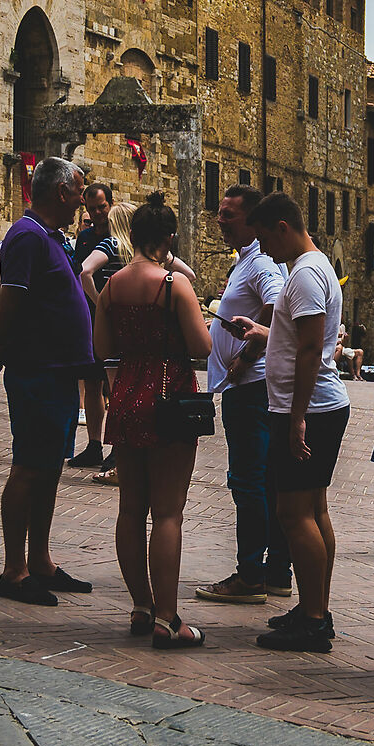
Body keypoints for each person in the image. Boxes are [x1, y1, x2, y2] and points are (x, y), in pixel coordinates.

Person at [96, 192, 212, 647]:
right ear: (168, 237)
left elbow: (102, 348)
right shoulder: (173, 284)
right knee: (167, 513)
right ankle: (168, 618)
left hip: (126, 394)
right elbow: (201, 347)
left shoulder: (112, 286)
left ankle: (141, 606)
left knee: (130, 509)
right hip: (169, 395)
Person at [0, 156, 98, 606]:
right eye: (79, 193)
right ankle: (14, 571)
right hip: (38, 370)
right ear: (61, 192)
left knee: (49, 467)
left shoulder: (50, 236)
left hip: (59, 371)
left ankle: (41, 561)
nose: (82, 203)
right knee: (29, 467)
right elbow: (11, 299)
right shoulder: (28, 236)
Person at [252, 193, 350, 654]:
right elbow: (301, 339)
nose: (263, 249)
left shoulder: (307, 274)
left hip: (311, 409)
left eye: (264, 238)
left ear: (283, 227)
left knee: (294, 514)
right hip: (317, 407)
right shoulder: (315, 267)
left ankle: (313, 620)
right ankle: (316, 607)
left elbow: (311, 349)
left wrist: (296, 418)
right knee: (314, 510)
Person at [194, 185, 290, 606]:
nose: (220, 220)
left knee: (249, 482)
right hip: (250, 386)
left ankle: (250, 574)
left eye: (228, 214)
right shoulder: (248, 260)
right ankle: (277, 572)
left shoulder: (260, 263)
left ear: (253, 220)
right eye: (219, 212)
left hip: (250, 387)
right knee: (267, 481)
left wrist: (248, 353)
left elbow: (277, 302)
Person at [66, 180, 122, 472]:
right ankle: (94, 445)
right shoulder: (86, 237)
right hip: (91, 318)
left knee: (115, 385)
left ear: (110, 204)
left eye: (102, 207)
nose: (98, 213)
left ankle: (117, 447)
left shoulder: (120, 235)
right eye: (92, 208)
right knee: (91, 382)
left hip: (114, 318)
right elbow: (78, 272)